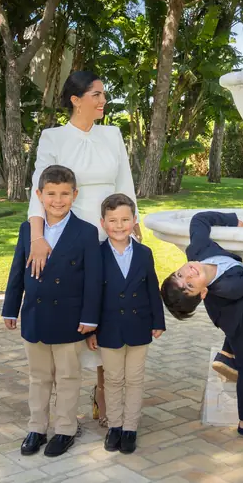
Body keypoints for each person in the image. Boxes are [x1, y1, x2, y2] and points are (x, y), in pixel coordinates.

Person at [27, 70, 139, 426]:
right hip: (71, 237)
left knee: (111, 312)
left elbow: (126, 184)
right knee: (75, 316)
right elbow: (39, 189)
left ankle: (105, 393)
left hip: (114, 233)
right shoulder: (52, 137)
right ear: (75, 100)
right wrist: (38, 236)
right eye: (96, 94)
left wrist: (132, 232)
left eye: (103, 94)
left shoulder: (113, 134)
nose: (103, 100)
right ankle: (61, 409)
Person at [2, 165, 102, 458]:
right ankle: (36, 428)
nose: (57, 200)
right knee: (38, 377)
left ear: (75, 195)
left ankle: (66, 429)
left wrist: (89, 319)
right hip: (35, 315)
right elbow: (17, 272)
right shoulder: (28, 231)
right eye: (51, 194)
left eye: (64, 194)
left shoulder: (86, 232)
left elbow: (93, 281)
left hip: (70, 319)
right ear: (39, 195)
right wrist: (10, 307)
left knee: (69, 377)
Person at [159, 211, 243, 445]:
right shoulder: (229, 288)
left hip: (238, 305)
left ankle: (226, 356)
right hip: (232, 317)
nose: (188, 274)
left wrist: (233, 221)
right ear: (202, 293)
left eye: (179, 274)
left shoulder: (197, 251)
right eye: (189, 285)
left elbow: (199, 220)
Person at [87, 194, 165, 456]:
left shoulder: (144, 253)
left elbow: (152, 289)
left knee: (134, 379)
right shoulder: (96, 254)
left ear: (134, 221)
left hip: (139, 326)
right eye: (112, 221)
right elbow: (91, 294)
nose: (119, 226)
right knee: (113, 379)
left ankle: (130, 428)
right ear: (103, 223)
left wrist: (158, 320)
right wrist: (91, 329)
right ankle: (115, 426)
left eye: (124, 220)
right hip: (108, 329)